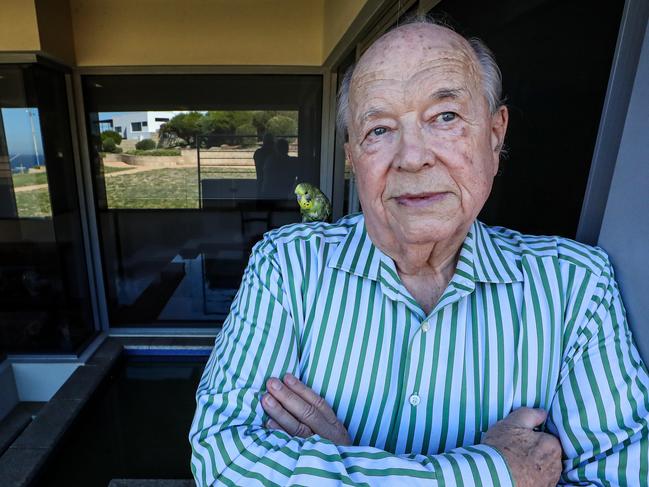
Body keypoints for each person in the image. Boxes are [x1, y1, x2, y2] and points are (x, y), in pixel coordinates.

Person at [189, 18, 649, 486]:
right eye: (380, 129)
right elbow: (223, 459)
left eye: (445, 117)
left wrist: (340, 465)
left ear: (494, 134)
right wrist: (492, 475)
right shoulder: (287, 266)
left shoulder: (576, 285)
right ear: (353, 158)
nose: (412, 157)